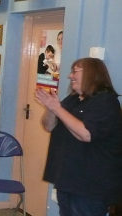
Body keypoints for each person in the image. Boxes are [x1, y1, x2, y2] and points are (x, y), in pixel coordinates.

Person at [36, 58, 122, 216]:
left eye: (75, 71)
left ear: (91, 73)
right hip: (67, 180)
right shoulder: (73, 99)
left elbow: (86, 134)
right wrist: (51, 108)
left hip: (90, 186)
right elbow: (48, 126)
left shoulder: (106, 102)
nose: (70, 76)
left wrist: (58, 109)